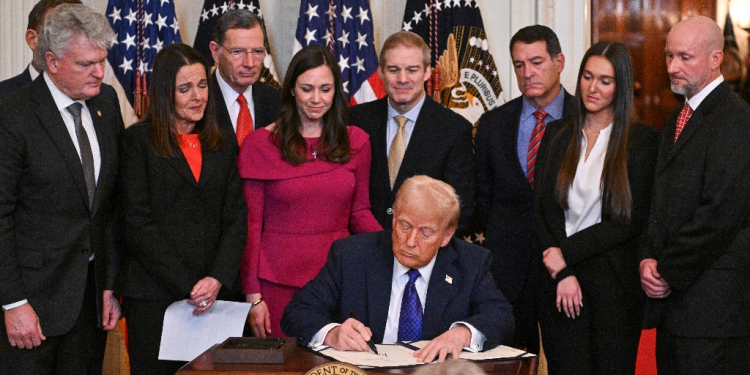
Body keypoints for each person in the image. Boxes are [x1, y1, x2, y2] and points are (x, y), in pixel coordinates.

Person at [0, 4, 122, 374]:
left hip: (91, 301)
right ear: (51, 61)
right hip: (32, 305)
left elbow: (110, 203)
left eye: (102, 60)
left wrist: (110, 283)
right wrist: (13, 303)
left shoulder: (107, 103)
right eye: (86, 64)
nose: (99, 72)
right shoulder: (13, 115)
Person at [281, 176, 514, 363]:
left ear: (447, 236)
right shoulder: (351, 256)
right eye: (405, 226)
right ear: (394, 221)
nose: (411, 241)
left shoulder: (470, 262)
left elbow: (501, 316)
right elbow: (298, 312)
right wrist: (332, 334)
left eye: (426, 232)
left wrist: (462, 334)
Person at [117, 44, 247, 375]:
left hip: (217, 299)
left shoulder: (222, 142)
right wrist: (189, 284)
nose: (198, 96)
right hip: (156, 299)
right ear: (164, 93)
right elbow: (137, 224)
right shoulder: (137, 143)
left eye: (203, 85)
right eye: (185, 88)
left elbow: (235, 219)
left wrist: (217, 277)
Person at [239, 45, 381, 339]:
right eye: (307, 88)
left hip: (338, 281)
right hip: (276, 283)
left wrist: (394, 246)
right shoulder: (259, 145)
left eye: (325, 89)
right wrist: (253, 296)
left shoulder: (356, 142)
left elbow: (360, 213)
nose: (316, 99)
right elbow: (251, 226)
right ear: (291, 89)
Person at [534, 41, 658, 375]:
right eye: (588, 77)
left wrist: (566, 253)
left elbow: (628, 220)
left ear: (620, 87)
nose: (592, 88)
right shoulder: (557, 133)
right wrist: (562, 270)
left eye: (605, 80)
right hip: (560, 284)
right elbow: (543, 209)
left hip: (614, 289)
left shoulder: (640, 140)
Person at [640, 15, 750, 375]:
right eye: (669, 56)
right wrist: (646, 260)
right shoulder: (675, 119)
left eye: (685, 57)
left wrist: (666, 271)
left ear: (716, 58)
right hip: (674, 311)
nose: (673, 67)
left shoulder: (737, 120)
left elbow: (719, 214)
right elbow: (658, 202)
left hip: (713, 314)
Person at [474, 24, 574, 354]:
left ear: (559, 61)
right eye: (519, 65)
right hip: (508, 273)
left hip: (567, 270)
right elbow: (484, 198)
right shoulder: (492, 124)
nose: (527, 72)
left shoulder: (585, 120)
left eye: (536, 62)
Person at [348, 31, 474, 235]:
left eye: (412, 70)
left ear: (427, 72)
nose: (402, 79)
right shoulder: (354, 121)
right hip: (362, 250)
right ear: (380, 72)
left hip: (424, 255)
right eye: (393, 69)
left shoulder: (455, 130)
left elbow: (461, 209)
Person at [0, 0, 121, 112]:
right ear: (33, 39)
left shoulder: (106, 96)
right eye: (58, 31)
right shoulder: (5, 99)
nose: (100, 74)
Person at [209, 9, 280, 152]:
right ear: (216, 52)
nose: (249, 63)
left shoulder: (277, 101)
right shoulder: (198, 101)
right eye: (238, 52)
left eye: (257, 52)